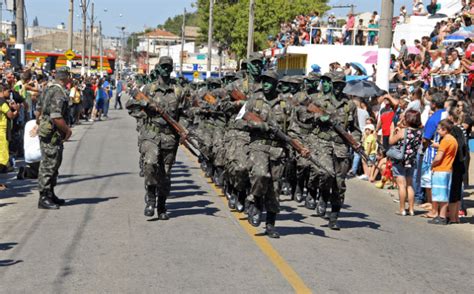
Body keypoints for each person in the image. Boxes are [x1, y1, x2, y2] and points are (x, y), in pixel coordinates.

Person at [133, 56, 184, 220]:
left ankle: (161, 205)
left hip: (170, 137)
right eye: (163, 67)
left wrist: (183, 131)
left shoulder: (178, 91)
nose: (166, 70)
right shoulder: (149, 89)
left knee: (165, 174)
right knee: (150, 164)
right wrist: (146, 106)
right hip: (151, 134)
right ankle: (150, 196)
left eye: (169, 67)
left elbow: (185, 114)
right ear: (158, 69)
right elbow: (132, 107)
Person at [36, 67, 72, 209]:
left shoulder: (47, 89)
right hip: (52, 133)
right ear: (65, 77)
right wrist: (67, 131)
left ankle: (50, 193)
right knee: (49, 164)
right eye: (69, 76)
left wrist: (39, 124)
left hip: (48, 131)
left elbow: (38, 110)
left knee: (54, 163)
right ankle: (44, 196)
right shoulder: (58, 92)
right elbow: (56, 116)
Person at [389, 110, 423, 216]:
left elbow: (391, 141)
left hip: (400, 160)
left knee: (401, 185)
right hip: (412, 160)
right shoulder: (419, 132)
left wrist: (392, 130)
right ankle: (411, 209)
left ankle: (402, 209)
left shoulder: (403, 132)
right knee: (409, 185)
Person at [428, 119, 458, 225]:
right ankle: (442, 216)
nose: (437, 131)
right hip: (448, 170)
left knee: (439, 195)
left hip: (441, 170)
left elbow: (438, 157)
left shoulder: (445, 140)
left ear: (444, 129)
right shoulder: (453, 140)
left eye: (439, 129)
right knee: (444, 195)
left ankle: (442, 217)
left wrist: (432, 164)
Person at [0, 83, 19, 172]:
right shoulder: (2, 102)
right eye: (8, 91)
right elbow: (10, 115)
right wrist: (16, 110)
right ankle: (3, 168)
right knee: (3, 151)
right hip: (2, 130)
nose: (9, 93)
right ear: (3, 91)